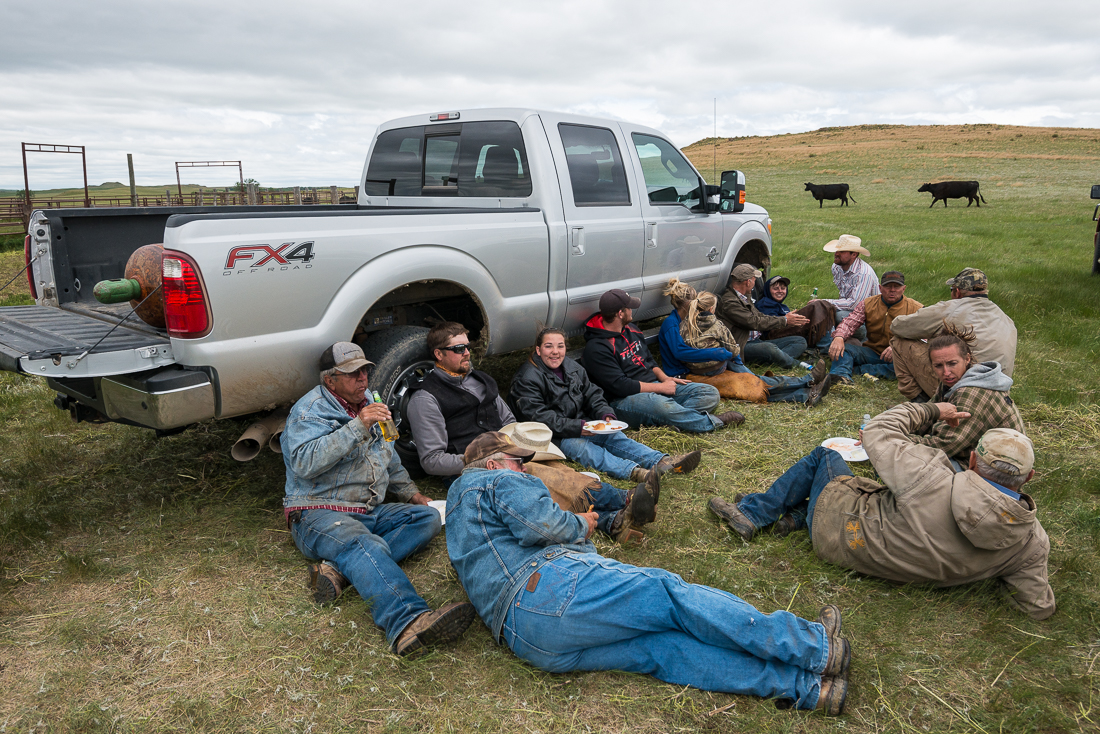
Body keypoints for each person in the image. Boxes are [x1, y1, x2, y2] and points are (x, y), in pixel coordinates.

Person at [446, 432, 853, 715]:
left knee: (660, 651)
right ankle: (813, 647)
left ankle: (809, 689)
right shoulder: (494, 479)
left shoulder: (457, 514)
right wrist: (582, 524)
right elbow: (544, 526)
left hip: (527, 639)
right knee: (668, 594)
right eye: (518, 462)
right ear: (495, 463)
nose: (523, 468)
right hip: (551, 590)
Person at [708, 404, 1054, 621]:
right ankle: (791, 518)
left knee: (825, 458)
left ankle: (752, 513)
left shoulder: (930, 475)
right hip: (903, 568)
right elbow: (1037, 606)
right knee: (852, 488)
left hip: (842, 537)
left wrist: (934, 410)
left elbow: (877, 430)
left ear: (974, 459)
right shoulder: (1032, 540)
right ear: (1029, 478)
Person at [281, 342, 475, 656]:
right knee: (363, 544)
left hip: (365, 509)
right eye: (352, 373)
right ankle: (407, 622)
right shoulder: (309, 410)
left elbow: (389, 455)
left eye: (365, 371)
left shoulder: (371, 401)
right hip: (317, 511)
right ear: (330, 380)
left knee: (427, 518)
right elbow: (304, 463)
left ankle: (337, 570)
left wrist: (412, 493)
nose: (363, 378)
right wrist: (358, 426)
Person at [509, 326, 703, 483]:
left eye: (560, 346)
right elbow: (538, 418)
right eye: (548, 347)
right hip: (554, 437)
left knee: (614, 436)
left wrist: (605, 414)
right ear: (538, 350)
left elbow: (592, 393)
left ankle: (662, 461)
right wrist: (578, 427)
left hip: (583, 423)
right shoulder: (527, 378)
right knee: (585, 450)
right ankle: (636, 473)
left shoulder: (572, 367)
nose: (555, 352)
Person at [584, 288, 743, 432]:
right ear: (620, 313)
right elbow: (620, 386)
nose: (632, 311)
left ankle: (671, 420)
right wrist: (660, 388)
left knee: (709, 393)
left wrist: (665, 379)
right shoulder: (597, 348)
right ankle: (712, 422)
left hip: (654, 385)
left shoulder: (632, 329)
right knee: (660, 405)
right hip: (624, 400)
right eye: (629, 308)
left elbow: (649, 360)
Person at [406, 322, 516, 481]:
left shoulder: (481, 380)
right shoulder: (425, 398)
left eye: (467, 347)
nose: (467, 353)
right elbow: (432, 460)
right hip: (470, 472)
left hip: (507, 457)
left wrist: (513, 453)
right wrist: (484, 462)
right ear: (439, 354)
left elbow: (509, 422)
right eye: (459, 349)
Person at [890, 267, 1018, 401]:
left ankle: (923, 402)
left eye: (951, 290)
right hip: (999, 392)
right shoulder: (1006, 319)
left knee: (899, 341)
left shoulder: (949, 309)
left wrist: (928, 332)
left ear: (957, 292)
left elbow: (898, 326)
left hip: (962, 390)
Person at [715, 264, 833, 406]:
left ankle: (804, 390)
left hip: (751, 342)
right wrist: (784, 320)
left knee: (797, 342)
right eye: (754, 279)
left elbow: (758, 316)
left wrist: (785, 319)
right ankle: (805, 376)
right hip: (742, 344)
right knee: (760, 368)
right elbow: (754, 321)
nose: (755, 283)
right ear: (748, 281)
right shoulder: (730, 302)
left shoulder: (743, 297)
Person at [913, 328, 1024, 469]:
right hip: (973, 454)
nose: (946, 372)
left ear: (967, 359)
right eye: (938, 366)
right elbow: (928, 416)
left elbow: (942, 446)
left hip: (999, 470)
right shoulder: (952, 382)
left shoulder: (972, 393)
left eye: (952, 363)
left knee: (913, 463)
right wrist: (899, 426)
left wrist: (896, 439)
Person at [826, 271, 922, 384]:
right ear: (880, 288)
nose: (892, 290)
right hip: (872, 352)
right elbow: (850, 322)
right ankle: (840, 377)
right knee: (845, 349)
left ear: (903, 289)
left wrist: (899, 346)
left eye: (896, 286)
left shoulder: (917, 309)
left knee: (910, 367)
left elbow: (923, 338)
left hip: (900, 357)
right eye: (888, 286)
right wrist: (839, 337)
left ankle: (859, 369)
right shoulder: (868, 303)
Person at [745, 275, 817, 369]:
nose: (780, 291)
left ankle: (775, 360)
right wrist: (787, 320)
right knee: (769, 347)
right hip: (766, 338)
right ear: (767, 290)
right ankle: (790, 362)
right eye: (775, 288)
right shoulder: (765, 304)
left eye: (783, 288)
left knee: (800, 341)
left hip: (773, 340)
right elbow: (767, 324)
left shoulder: (782, 306)